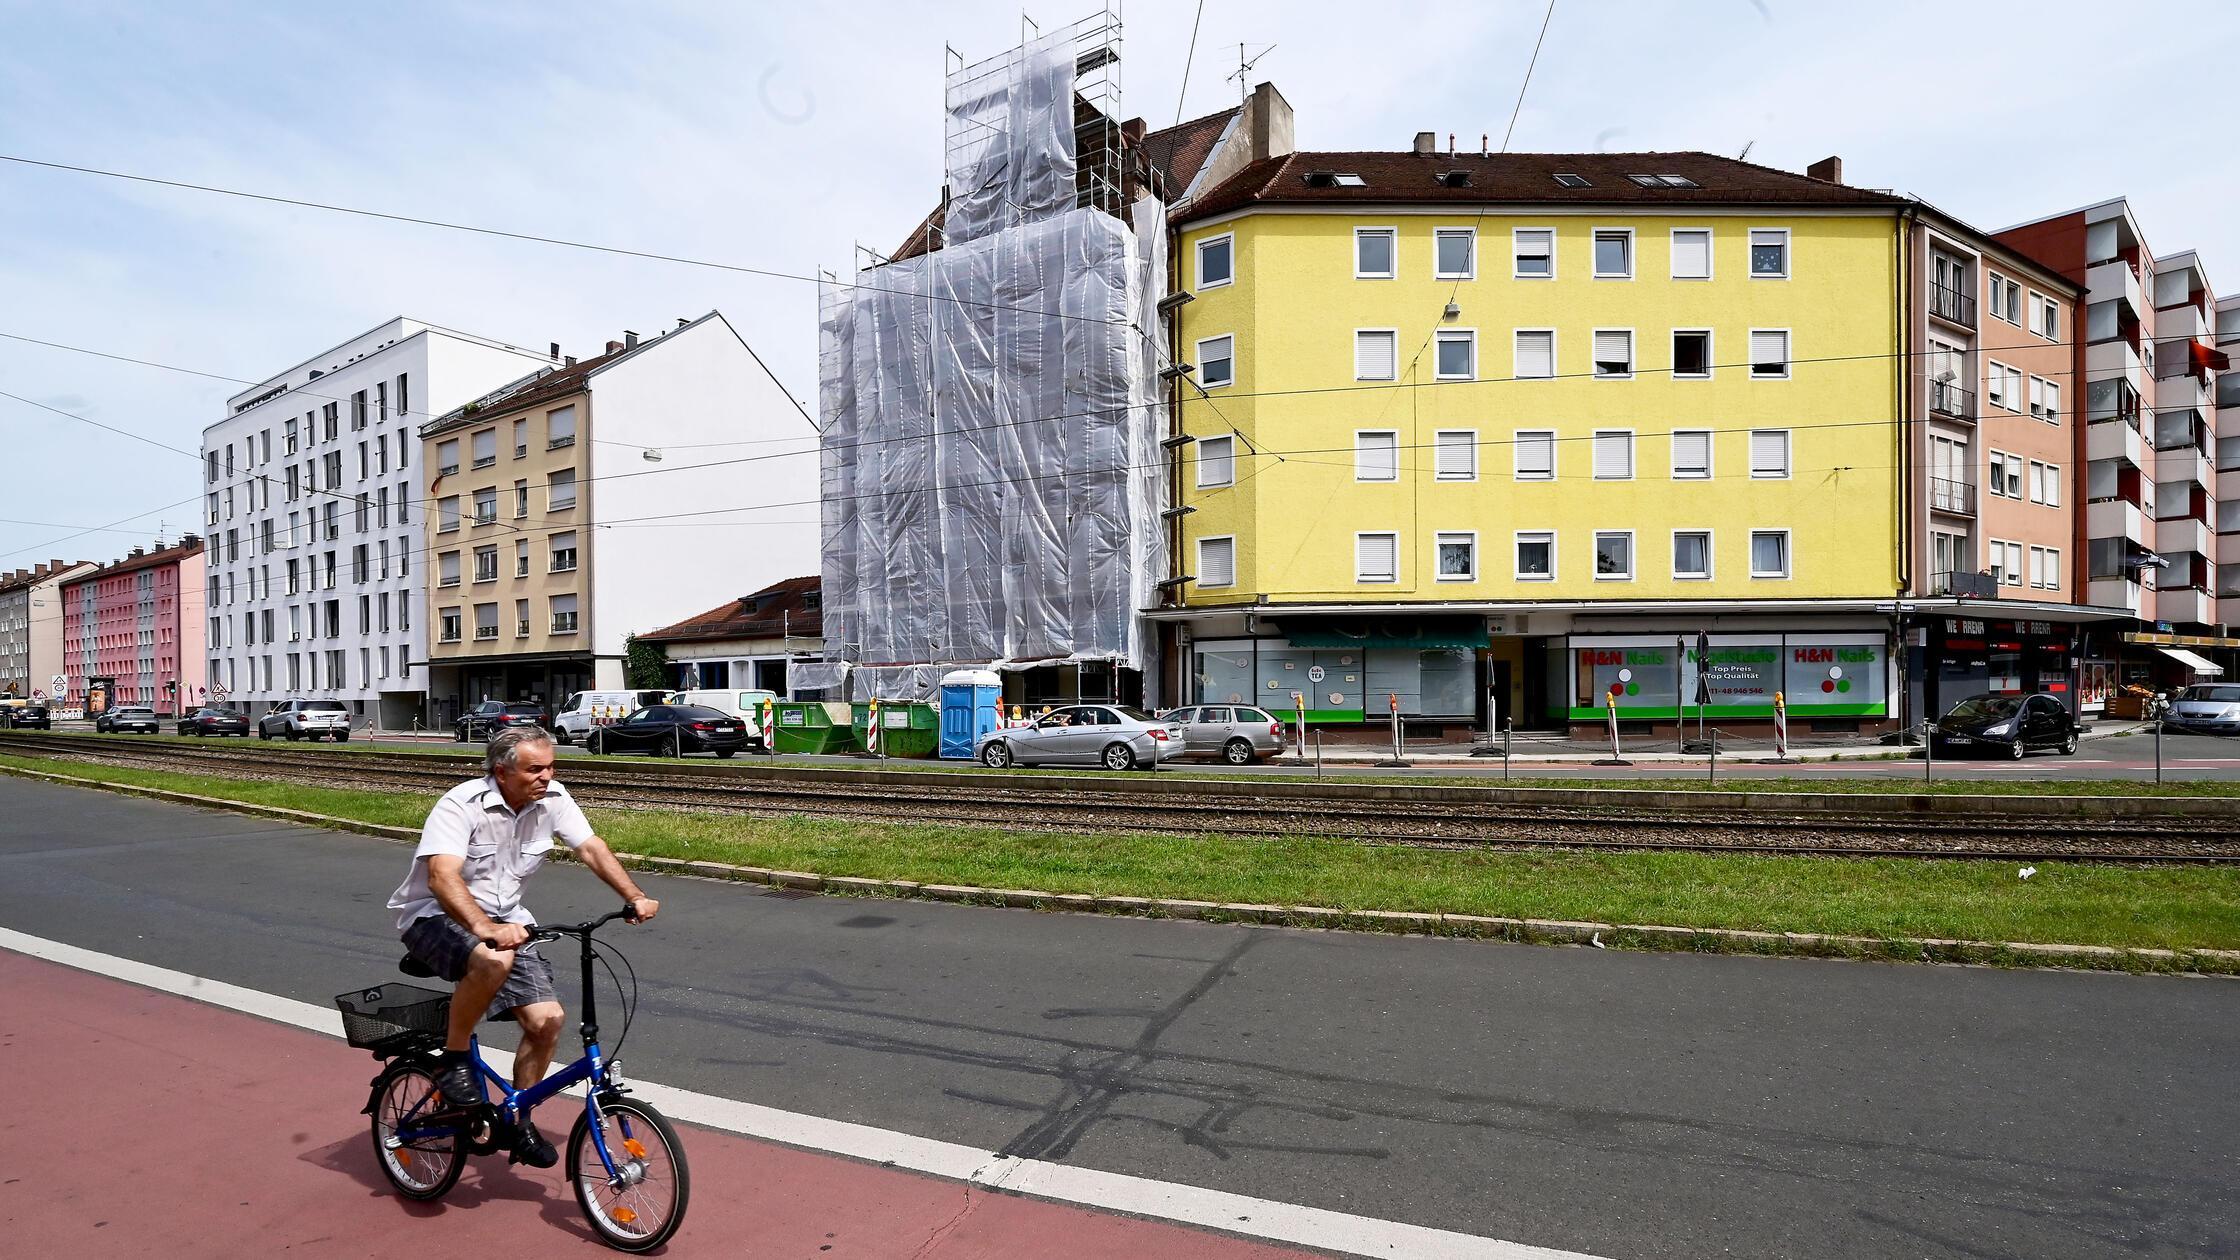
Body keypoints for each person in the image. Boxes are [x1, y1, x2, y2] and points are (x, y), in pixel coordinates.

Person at [387, 724, 659, 1168]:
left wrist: (633, 896)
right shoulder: (462, 805)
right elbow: (441, 877)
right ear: (501, 770)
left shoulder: (552, 800)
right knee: (493, 958)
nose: (547, 776)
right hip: (431, 917)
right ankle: (453, 1061)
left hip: (510, 925)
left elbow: (590, 848)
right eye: (535, 769)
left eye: (551, 766)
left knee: (547, 1022)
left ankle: (518, 1120)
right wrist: (483, 927)